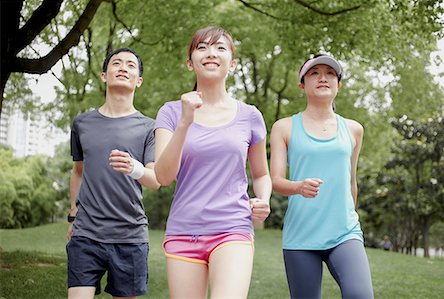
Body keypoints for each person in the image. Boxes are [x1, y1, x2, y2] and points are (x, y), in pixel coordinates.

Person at [154, 26, 272, 299]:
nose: (211, 53)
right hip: (184, 230)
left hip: (232, 228)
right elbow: (163, 175)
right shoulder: (170, 113)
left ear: (232, 63)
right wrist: (185, 121)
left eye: (220, 47)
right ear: (190, 62)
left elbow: (261, 174)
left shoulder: (250, 116)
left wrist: (263, 198)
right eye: (202, 47)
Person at [270, 54, 374, 299]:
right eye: (314, 73)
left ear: (339, 85)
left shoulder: (353, 129)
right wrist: (298, 187)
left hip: (344, 233)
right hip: (301, 236)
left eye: (330, 73)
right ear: (302, 84)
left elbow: (351, 181)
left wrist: (348, 218)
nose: (323, 78)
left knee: (361, 296)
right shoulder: (283, 127)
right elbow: (275, 181)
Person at [67, 47, 160, 299]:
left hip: (130, 236)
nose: (123, 67)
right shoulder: (82, 123)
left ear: (138, 81)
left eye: (131, 65)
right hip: (86, 234)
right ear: (104, 75)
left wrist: (134, 167)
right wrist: (73, 215)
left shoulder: (150, 127)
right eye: (116, 63)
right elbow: (78, 172)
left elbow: (155, 180)